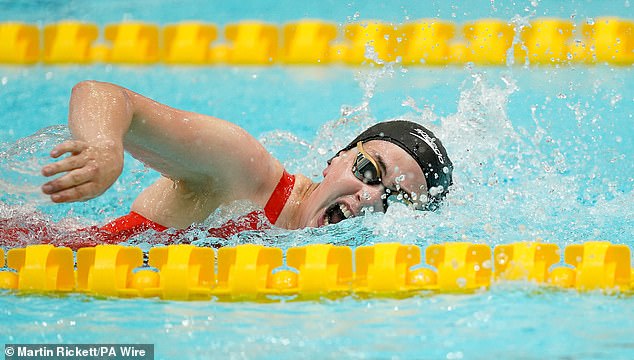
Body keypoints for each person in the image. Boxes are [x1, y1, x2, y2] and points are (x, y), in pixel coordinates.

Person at [35, 80, 452, 247]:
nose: (370, 197)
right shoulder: (243, 172)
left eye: (395, 199)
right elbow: (102, 94)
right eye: (370, 171)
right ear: (337, 159)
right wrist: (103, 147)